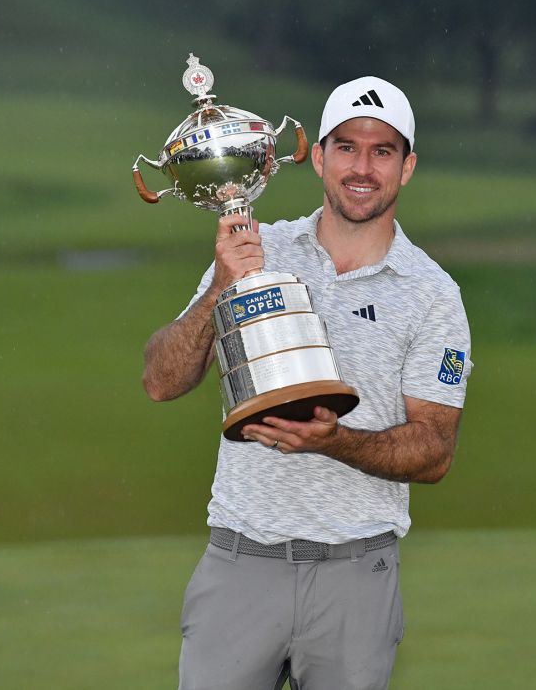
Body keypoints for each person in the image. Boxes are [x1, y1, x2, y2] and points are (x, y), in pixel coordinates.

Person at [142, 75, 472, 690]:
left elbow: (435, 451)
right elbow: (162, 380)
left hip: (356, 573)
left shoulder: (433, 295)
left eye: (383, 151)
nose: (363, 167)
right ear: (318, 156)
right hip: (242, 561)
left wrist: (332, 442)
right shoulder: (256, 249)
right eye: (347, 147)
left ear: (408, 167)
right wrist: (220, 285)